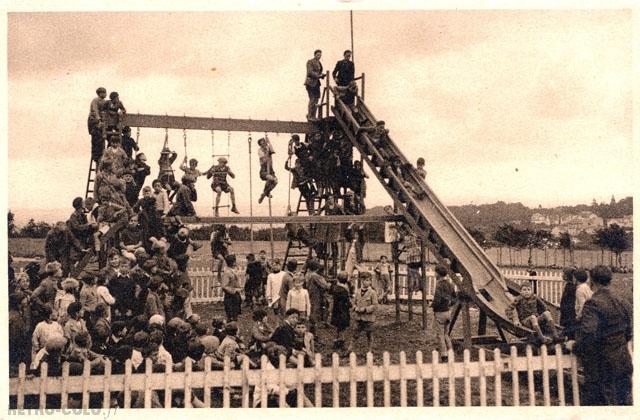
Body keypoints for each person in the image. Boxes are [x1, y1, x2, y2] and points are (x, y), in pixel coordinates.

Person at [566, 265, 632, 405]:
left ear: (592, 281)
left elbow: (588, 335)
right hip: (623, 363)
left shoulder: (593, 304)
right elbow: (628, 333)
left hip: (601, 368)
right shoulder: (623, 301)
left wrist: (575, 346)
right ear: (610, 280)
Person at [347, 271, 378, 354]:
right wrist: (355, 307)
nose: (367, 282)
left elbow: (375, 305)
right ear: (361, 281)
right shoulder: (357, 291)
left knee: (369, 334)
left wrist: (365, 309)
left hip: (368, 318)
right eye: (365, 280)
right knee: (355, 334)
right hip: (358, 317)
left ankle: (370, 350)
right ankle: (350, 350)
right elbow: (353, 302)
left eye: (368, 280)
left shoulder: (372, 293)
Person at [431, 265, 456, 360]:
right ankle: (451, 352)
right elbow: (454, 298)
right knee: (446, 334)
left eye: (435, 272)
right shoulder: (450, 284)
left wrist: (432, 305)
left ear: (438, 274)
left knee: (440, 335)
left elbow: (437, 300)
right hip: (447, 312)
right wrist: (449, 305)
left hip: (440, 313)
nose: (434, 274)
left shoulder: (439, 285)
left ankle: (444, 355)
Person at [305, 259, 331, 335]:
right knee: (314, 314)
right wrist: (328, 284)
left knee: (313, 312)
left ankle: (313, 331)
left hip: (310, 294)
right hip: (315, 296)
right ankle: (314, 334)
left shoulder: (308, 274)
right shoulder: (315, 276)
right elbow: (325, 286)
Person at [330, 271, 351, 352]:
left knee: (339, 327)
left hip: (336, 311)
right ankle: (341, 342)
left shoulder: (335, 288)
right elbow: (346, 301)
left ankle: (337, 340)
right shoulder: (344, 290)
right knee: (343, 328)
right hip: (343, 311)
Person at [304, 49, 326, 121]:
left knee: (316, 99)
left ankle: (313, 116)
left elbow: (318, 72)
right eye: (318, 54)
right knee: (312, 99)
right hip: (310, 83)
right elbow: (310, 72)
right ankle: (310, 116)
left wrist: (322, 75)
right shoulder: (310, 62)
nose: (319, 56)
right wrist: (319, 75)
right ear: (315, 54)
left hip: (317, 83)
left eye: (320, 55)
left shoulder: (319, 63)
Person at [88, 87, 107, 163]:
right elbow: (95, 111)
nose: (105, 94)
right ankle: (96, 156)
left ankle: (102, 154)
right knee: (96, 138)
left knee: (102, 138)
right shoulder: (95, 100)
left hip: (101, 122)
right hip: (94, 122)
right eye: (104, 92)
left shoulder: (104, 101)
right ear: (100, 93)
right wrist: (99, 120)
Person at [221, 255, 243, 322]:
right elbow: (224, 286)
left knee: (236, 314)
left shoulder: (234, 270)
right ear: (233, 262)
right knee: (230, 315)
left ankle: (234, 328)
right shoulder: (227, 272)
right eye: (235, 261)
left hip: (236, 295)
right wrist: (234, 290)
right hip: (230, 296)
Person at [559, 267, 578, 339]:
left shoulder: (571, 287)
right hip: (566, 311)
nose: (562, 275)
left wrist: (563, 308)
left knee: (568, 329)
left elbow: (568, 300)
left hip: (568, 312)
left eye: (563, 274)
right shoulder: (570, 286)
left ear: (567, 276)